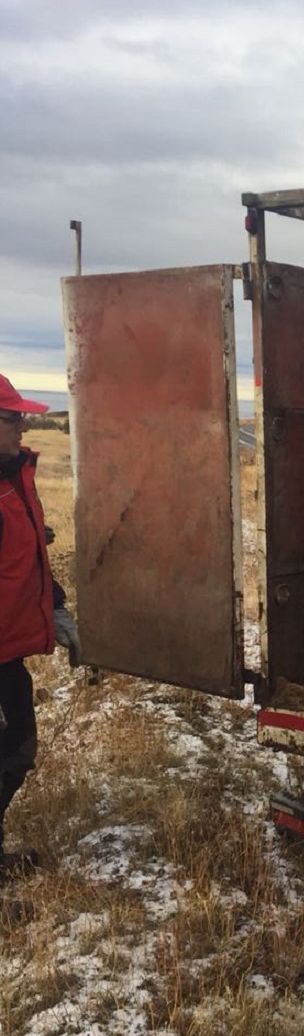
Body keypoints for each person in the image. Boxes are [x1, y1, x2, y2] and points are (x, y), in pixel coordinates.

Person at [0, 374, 79, 877]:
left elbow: (22, 558)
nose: (23, 425)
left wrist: (54, 604)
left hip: (5, 652)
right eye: (12, 418)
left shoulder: (13, 477)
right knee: (14, 747)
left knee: (17, 746)